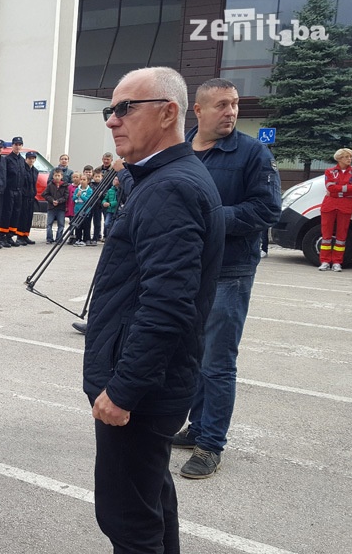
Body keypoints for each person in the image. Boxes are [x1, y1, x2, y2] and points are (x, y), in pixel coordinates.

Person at [85, 66, 224, 552]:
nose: (112, 120)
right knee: (151, 499)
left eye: (125, 108)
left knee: (128, 520)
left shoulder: (170, 187)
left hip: (141, 390)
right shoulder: (163, 177)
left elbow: (167, 306)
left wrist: (122, 392)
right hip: (151, 382)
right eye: (111, 109)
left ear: (168, 114)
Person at [175, 78, 282, 479]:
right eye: (221, 105)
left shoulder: (252, 153)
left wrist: (213, 219)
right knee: (192, 355)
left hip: (230, 271)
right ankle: (196, 427)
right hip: (188, 271)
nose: (231, 112)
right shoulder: (180, 151)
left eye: (234, 104)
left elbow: (267, 209)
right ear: (198, 110)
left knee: (218, 362)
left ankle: (210, 444)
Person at [315, 148, 352, 272]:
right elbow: (330, 187)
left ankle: (337, 262)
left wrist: (338, 189)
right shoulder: (330, 171)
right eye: (346, 157)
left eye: (350, 156)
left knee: (341, 236)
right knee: (326, 235)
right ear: (339, 159)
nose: (349, 159)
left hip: (345, 206)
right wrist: (347, 189)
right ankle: (324, 261)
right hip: (329, 205)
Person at [2, 137, 25, 247]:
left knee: (16, 214)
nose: (17, 146)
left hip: (19, 191)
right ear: (12, 145)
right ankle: (2, 237)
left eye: (19, 144)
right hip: (9, 191)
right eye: (15, 144)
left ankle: (10, 236)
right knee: (7, 213)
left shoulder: (22, 160)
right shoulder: (7, 159)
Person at [15, 149, 38, 246]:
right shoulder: (23, 169)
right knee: (22, 217)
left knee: (29, 217)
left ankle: (25, 235)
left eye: (33, 158)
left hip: (31, 196)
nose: (31, 160)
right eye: (29, 158)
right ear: (26, 159)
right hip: (24, 196)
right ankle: (20, 236)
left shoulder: (35, 171)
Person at [43, 170, 66, 243]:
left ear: (61, 176)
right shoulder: (50, 185)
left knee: (61, 224)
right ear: (53, 176)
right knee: (49, 224)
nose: (57, 177)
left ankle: (59, 239)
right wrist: (52, 200)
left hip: (61, 208)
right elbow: (45, 194)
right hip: (51, 207)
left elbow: (66, 196)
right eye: (55, 175)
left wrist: (58, 201)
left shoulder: (65, 186)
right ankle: (49, 238)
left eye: (58, 175)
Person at [72, 174, 92, 246]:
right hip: (77, 210)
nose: (82, 181)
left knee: (86, 226)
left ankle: (86, 239)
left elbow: (88, 200)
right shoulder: (77, 189)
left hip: (85, 211)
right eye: (81, 179)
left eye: (84, 180)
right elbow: (73, 199)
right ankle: (78, 239)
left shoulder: (89, 190)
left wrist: (81, 195)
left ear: (88, 181)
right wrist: (76, 195)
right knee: (78, 226)